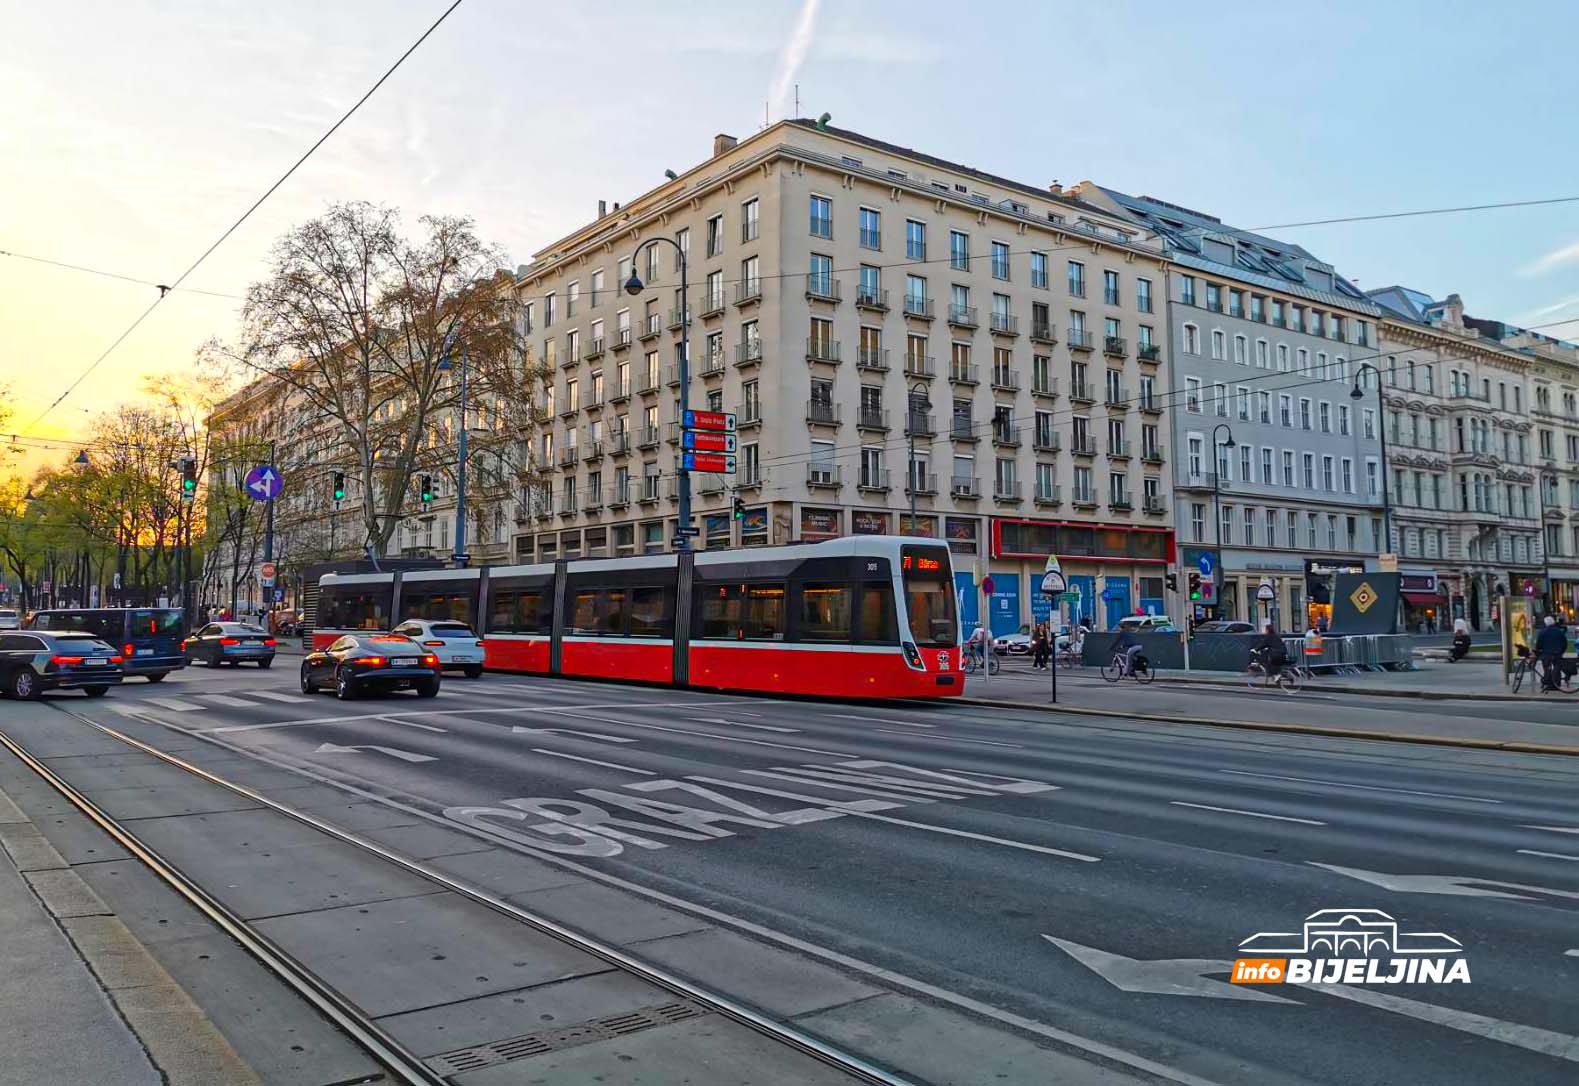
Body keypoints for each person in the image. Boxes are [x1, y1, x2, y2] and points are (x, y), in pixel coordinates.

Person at [1534, 614, 1568, 690]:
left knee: (1546, 667)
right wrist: (1561, 651)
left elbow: (1538, 645)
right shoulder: (1559, 632)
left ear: (1546, 623)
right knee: (1557, 667)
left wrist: (1540, 650)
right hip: (1557, 654)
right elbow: (1564, 643)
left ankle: (1548, 682)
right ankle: (1557, 683)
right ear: (1553, 623)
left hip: (1546, 654)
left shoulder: (1542, 632)